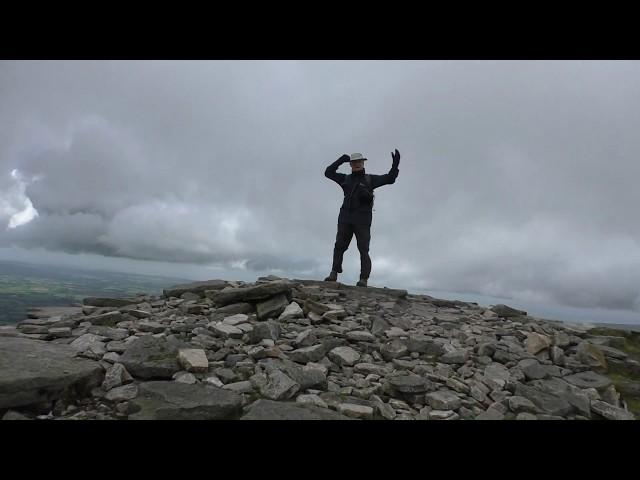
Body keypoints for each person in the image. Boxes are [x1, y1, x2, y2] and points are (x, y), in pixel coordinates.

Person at [323, 149, 400, 287]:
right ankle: (334, 273)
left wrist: (395, 166)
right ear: (350, 164)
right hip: (345, 218)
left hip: (363, 221)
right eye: (354, 162)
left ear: (363, 163)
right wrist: (341, 159)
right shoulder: (345, 179)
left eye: (359, 161)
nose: (357, 164)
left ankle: (363, 279)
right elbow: (328, 173)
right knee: (339, 246)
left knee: (363, 249)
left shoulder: (370, 179)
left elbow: (390, 179)